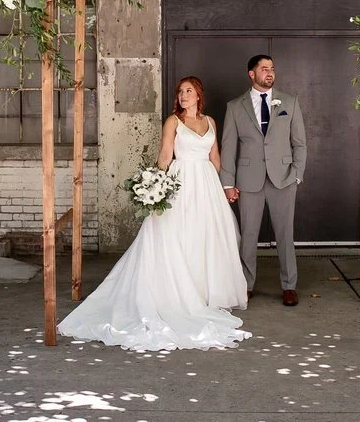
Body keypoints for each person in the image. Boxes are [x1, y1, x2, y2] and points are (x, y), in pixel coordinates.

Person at [57, 76, 251, 351]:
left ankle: (205, 293)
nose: (183, 96)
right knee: (178, 236)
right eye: (180, 92)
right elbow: (165, 156)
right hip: (181, 181)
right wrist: (155, 185)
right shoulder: (173, 122)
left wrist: (225, 187)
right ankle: (180, 294)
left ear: (198, 95)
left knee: (207, 236)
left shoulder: (210, 122)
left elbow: (215, 157)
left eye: (189, 91)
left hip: (207, 184)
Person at [220, 55, 307, 307]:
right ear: (251, 74)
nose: (270, 73)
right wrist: (228, 182)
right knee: (248, 235)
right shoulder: (235, 106)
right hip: (249, 180)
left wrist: (297, 173)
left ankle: (289, 286)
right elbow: (228, 147)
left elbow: (299, 143)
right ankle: (245, 285)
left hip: (284, 178)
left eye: (272, 69)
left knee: (285, 234)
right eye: (264, 69)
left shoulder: (290, 102)